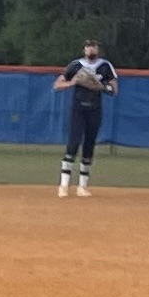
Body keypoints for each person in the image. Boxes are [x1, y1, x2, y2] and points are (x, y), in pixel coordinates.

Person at [51, 38, 118, 197]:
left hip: (94, 109)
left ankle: (82, 186)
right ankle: (64, 185)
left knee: (89, 145)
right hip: (78, 109)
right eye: (88, 47)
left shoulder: (104, 66)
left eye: (93, 46)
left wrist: (98, 85)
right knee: (73, 143)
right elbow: (57, 85)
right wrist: (72, 83)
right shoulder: (76, 65)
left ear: (97, 49)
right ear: (84, 50)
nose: (90, 49)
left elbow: (114, 90)